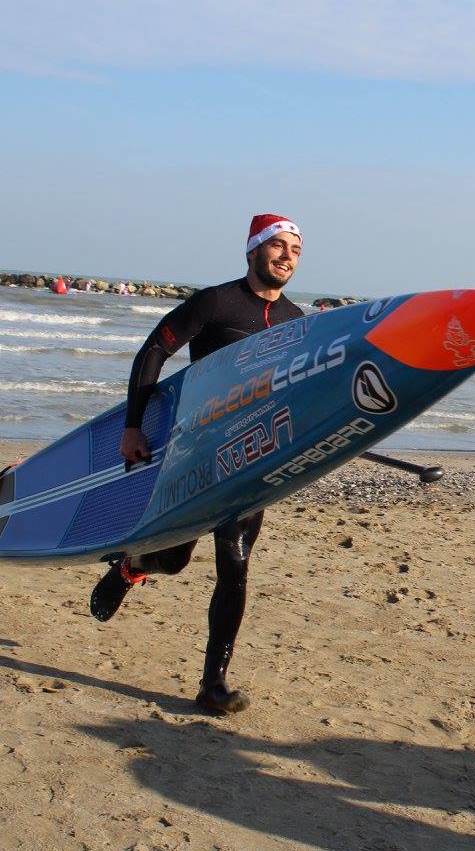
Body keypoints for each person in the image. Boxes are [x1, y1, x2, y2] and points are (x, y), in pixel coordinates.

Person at [89, 213, 306, 716]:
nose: (286, 256)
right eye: (277, 246)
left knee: (235, 568)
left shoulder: (298, 321)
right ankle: (132, 565)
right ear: (253, 250)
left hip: (250, 462)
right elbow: (153, 353)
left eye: (295, 249)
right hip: (199, 455)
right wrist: (133, 425)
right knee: (174, 560)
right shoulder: (215, 302)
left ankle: (213, 683)